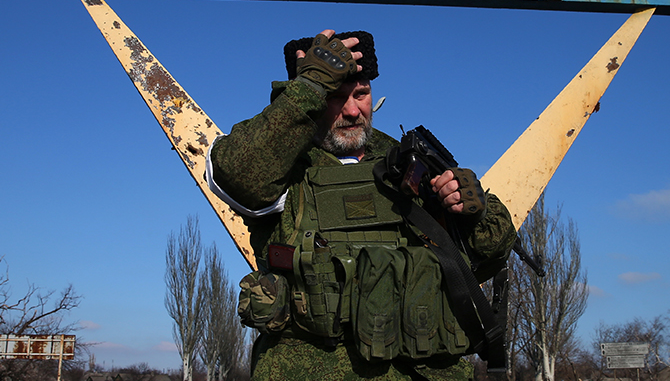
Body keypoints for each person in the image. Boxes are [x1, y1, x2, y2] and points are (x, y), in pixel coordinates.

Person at [204, 30, 517, 380]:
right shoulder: (283, 168)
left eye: (361, 94)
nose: (353, 111)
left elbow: (488, 259)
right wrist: (306, 89)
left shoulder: (410, 163)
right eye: (335, 96)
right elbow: (236, 173)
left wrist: (475, 213)